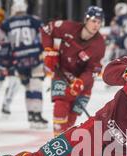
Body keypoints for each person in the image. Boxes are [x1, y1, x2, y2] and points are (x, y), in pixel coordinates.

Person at [42, 6, 106, 136]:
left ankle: (63, 143)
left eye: (99, 22)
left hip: (83, 84)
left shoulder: (99, 45)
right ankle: (56, 142)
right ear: (86, 19)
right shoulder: (68, 27)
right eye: (94, 21)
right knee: (61, 105)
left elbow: (93, 70)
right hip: (61, 73)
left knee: (72, 117)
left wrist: (81, 82)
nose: (96, 25)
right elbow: (46, 30)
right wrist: (49, 50)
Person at [0, 0, 47, 129]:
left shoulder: (6, 23)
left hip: (20, 62)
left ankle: (30, 115)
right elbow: (44, 37)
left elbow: (5, 46)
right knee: (36, 86)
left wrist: (5, 64)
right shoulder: (34, 20)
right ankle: (37, 115)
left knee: (29, 87)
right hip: (35, 60)